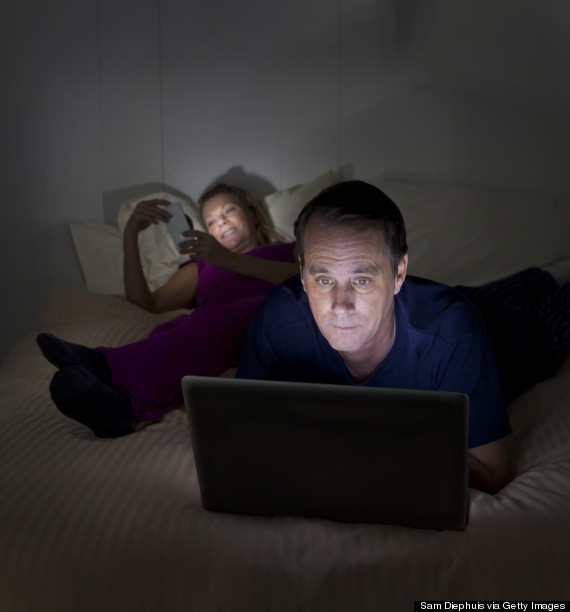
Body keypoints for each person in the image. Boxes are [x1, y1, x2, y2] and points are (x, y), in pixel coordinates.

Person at [237, 180, 570, 494]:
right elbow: (242, 435)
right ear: (302, 274)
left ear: (399, 274)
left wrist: (362, 461)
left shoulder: (454, 332)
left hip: (505, 334)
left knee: (550, 315)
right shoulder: (276, 321)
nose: (340, 306)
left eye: (362, 281)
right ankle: (540, 276)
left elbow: (492, 471)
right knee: (496, 292)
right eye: (324, 280)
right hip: (440, 304)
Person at [37, 183, 299, 438]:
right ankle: (121, 408)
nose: (221, 221)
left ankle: (103, 364)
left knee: (213, 319)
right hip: (214, 333)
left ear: (252, 213)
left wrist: (230, 260)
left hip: (270, 318)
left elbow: (313, 279)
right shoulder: (201, 267)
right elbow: (145, 305)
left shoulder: (289, 250)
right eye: (210, 221)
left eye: (228, 210)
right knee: (168, 329)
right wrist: (130, 237)